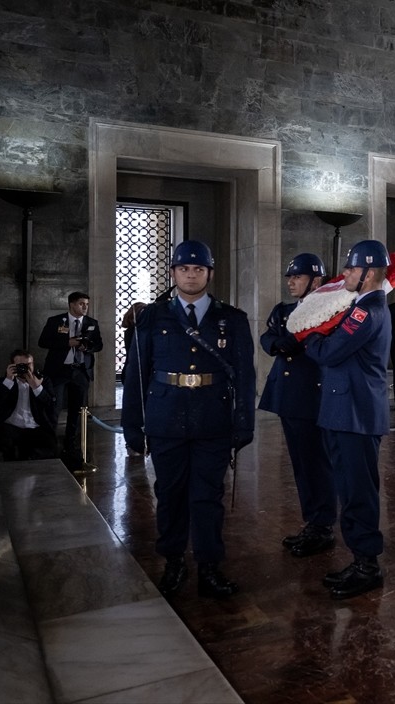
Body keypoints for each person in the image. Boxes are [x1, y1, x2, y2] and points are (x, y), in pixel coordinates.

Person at [122, 240, 256, 599]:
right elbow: (136, 372)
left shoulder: (232, 319)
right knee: (169, 494)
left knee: (208, 496)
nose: (191, 275)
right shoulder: (151, 317)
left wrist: (244, 422)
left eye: (198, 269)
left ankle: (210, 565)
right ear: (174, 273)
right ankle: (174, 562)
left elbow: (245, 375)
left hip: (213, 420)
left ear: (209, 274)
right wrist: (132, 425)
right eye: (184, 269)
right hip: (165, 418)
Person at [302, 239, 392, 599]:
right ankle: (360, 558)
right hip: (345, 411)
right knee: (350, 488)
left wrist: (308, 336)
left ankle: (367, 564)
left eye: (352, 269)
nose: (346, 275)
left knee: (358, 491)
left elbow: (330, 351)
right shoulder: (359, 307)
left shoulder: (365, 313)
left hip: (356, 413)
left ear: (369, 273)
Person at [259, 252, 336, 558]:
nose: (291, 282)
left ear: (316, 280)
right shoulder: (285, 310)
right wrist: (278, 344)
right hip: (288, 396)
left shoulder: (329, 311)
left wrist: (293, 341)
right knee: (301, 464)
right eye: (289, 277)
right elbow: (269, 336)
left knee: (316, 463)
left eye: (297, 277)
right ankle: (313, 521)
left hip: (312, 395)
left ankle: (322, 524)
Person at [38, 291, 104, 470]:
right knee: (54, 407)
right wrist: (68, 343)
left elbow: (98, 344)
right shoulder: (56, 321)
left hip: (81, 372)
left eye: (87, 304)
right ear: (72, 304)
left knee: (78, 411)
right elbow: (43, 342)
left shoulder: (92, 323)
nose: (85, 307)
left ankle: (71, 445)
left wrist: (86, 346)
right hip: (59, 371)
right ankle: (49, 444)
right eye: (82, 304)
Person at [0, 350, 57, 461]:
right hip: (10, 426)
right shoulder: (1, 382)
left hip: (34, 426)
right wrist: (8, 381)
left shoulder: (43, 380)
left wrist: (36, 387)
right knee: (7, 447)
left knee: (51, 448)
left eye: (28, 365)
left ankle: (27, 454)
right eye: (21, 365)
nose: (25, 368)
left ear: (33, 364)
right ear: (12, 366)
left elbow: (52, 404)